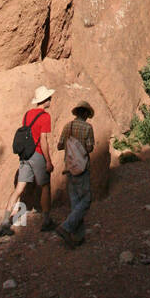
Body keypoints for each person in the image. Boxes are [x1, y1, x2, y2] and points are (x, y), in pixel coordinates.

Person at [0, 86, 56, 237]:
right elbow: (43, 140)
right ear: (45, 100)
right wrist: (48, 161)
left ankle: (5, 222)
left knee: (19, 189)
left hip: (25, 155)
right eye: (49, 98)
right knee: (44, 186)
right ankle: (47, 221)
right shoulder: (45, 116)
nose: (51, 100)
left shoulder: (27, 114)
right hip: (36, 154)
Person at [56, 102, 95, 249]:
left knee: (75, 202)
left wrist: (70, 144)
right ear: (85, 114)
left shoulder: (68, 126)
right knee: (86, 200)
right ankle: (66, 227)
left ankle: (77, 237)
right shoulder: (88, 128)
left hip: (69, 167)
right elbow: (90, 148)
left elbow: (59, 145)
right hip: (82, 168)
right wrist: (81, 146)